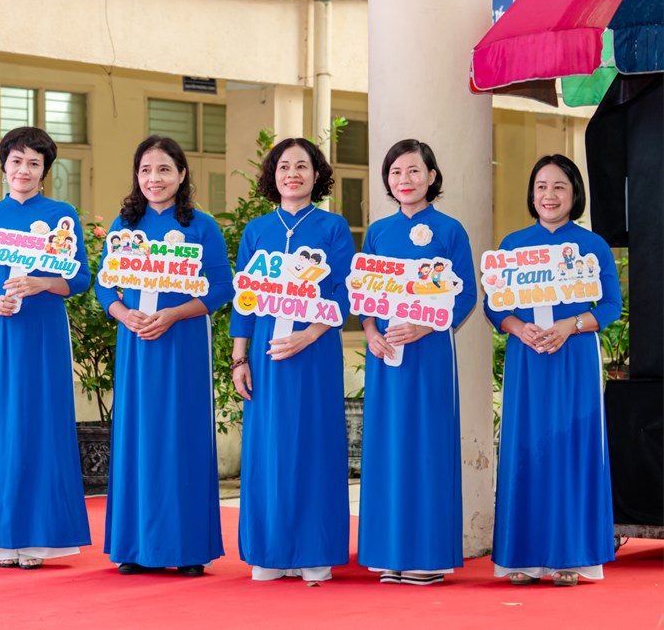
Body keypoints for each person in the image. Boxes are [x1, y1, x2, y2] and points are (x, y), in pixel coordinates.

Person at [96, 135, 233, 577]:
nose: (153, 179)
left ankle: (188, 547)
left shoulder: (202, 226)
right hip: (137, 344)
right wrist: (122, 314)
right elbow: (104, 284)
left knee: (182, 436)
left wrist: (174, 314)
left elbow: (222, 288)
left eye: (163, 170)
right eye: (145, 170)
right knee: (137, 436)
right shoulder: (124, 225)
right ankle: (134, 546)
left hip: (183, 343)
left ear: (182, 174)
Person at [0, 127, 91, 570]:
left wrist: (42, 283)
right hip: (2, 331)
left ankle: (40, 537)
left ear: (45, 170)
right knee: (1, 425)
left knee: (43, 424)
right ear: (4, 165)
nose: (24, 170)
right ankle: (0, 538)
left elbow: (81, 278)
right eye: (16, 161)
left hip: (45, 331)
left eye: (34, 163)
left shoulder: (61, 215)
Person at [486, 155, 621, 587]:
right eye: (541, 186)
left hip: (574, 356)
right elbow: (494, 305)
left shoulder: (592, 245)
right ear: (532, 194)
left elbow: (611, 306)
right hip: (527, 357)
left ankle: (572, 556)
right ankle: (523, 558)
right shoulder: (512, 245)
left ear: (574, 193)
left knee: (572, 446)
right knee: (526, 447)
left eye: (559, 186)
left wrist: (571, 325)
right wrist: (517, 327)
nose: (549, 195)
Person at [230, 138, 354, 582]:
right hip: (265, 353)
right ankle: (269, 551)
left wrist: (310, 333)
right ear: (273, 175)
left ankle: (313, 551)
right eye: (284, 166)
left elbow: (345, 291)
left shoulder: (333, 227)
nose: (293, 174)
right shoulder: (257, 230)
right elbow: (243, 299)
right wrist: (239, 359)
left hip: (315, 351)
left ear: (317, 175)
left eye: (302, 166)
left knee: (314, 445)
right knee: (268, 448)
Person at [357, 139, 476, 585]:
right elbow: (362, 291)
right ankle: (388, 553)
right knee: (387, 447)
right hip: (385, 354)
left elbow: (466, 294)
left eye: (413, 171)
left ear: (431, 176)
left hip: (429, 354)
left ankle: (426, 557)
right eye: (395, 172)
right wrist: (370, 332)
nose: (404, 180)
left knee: (427, 446)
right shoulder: (377, 233)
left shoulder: (450, 230)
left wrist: (424, 327)